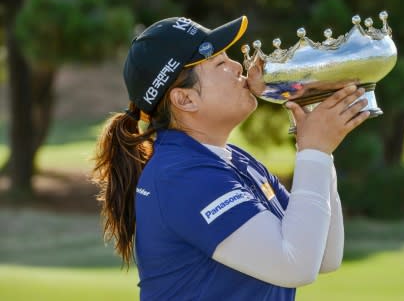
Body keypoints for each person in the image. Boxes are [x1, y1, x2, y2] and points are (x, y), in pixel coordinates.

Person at [92, 15, 370, 301]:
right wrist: (315, 150)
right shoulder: (182, 176)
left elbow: (324, 255)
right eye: (220, 63)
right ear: (185, 100)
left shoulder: (233, 160)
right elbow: (295, 266)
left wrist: (318, 149)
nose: (238, 66)